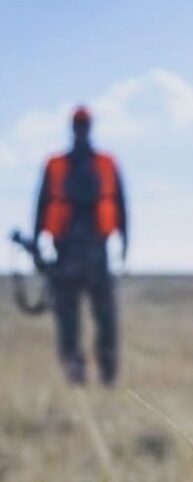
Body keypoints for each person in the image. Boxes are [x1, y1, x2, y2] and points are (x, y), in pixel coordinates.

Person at [34, 106, 128, 385]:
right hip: (66, 255)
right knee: (69, 323)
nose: (81, 129)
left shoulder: (106, 163)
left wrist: (125, 244)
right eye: (79, 124)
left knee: (105, 321)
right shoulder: (56, 165)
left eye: (83, 124)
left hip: (96, 254)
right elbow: (41, 206)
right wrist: (38, 244)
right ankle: (77, 379)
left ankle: (108, 378)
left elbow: (121, 206)